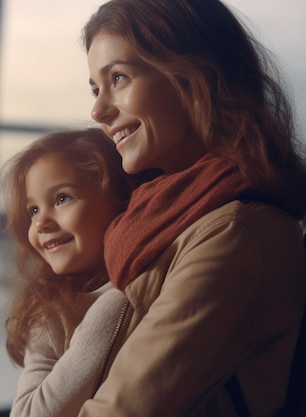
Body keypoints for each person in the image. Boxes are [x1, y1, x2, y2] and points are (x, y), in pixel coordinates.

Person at [77, 0, 306, 416]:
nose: (99, 110)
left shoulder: (234, 232)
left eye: (119, 78)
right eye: (96, 88)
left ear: (192, 76)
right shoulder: (167, 217)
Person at [0, 128, 149, 417]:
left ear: (119, 198)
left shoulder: (158, 278)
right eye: (32, 210)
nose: (41, 223)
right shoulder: (49, 313)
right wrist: (118, 298)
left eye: (62, 199)